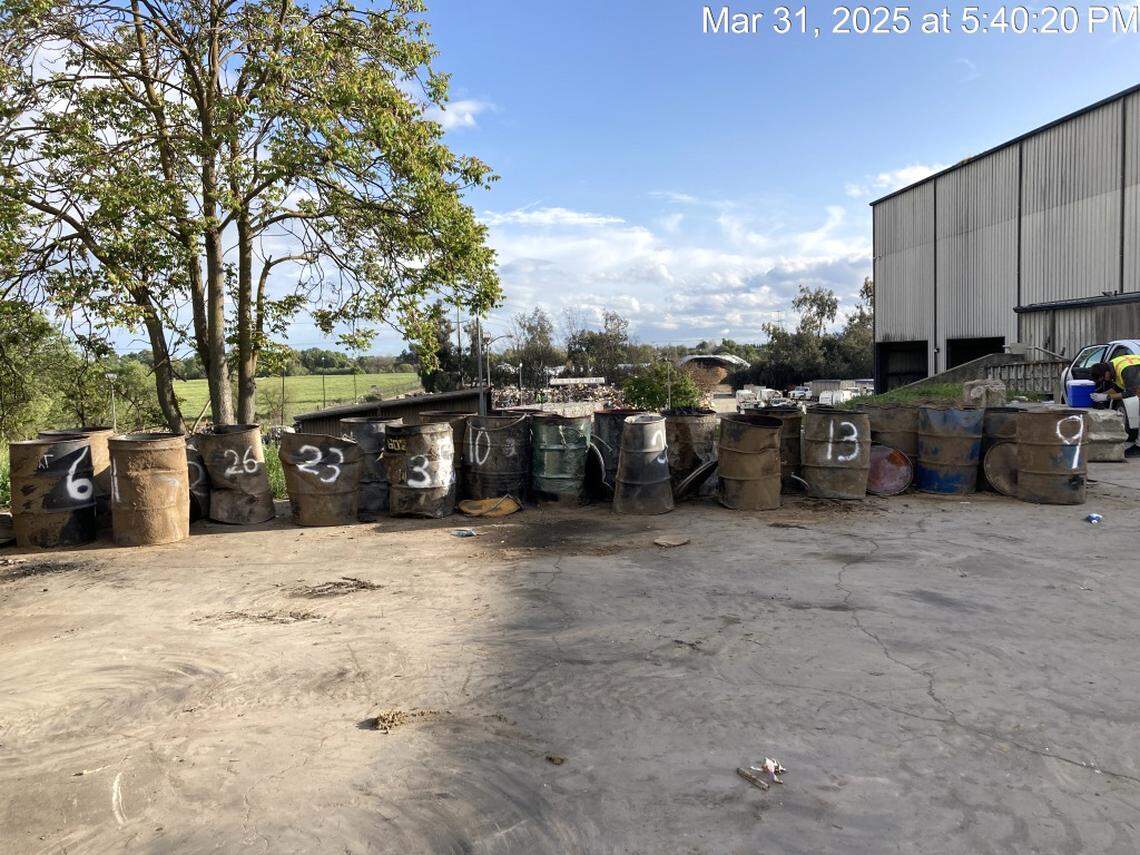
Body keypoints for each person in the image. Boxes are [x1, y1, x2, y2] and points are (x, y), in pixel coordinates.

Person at [1090, 355, 1140, 452]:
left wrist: (1107, 397)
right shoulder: (1114, 366)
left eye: (1104, 378)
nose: (1105, 380)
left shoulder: (1127, 370)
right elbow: (1118, 388)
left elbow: (1131, 392)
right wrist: (1100, 395)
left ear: (1106, 372)